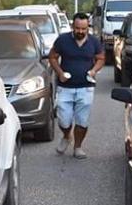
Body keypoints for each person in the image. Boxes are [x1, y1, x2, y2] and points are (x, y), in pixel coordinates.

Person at [48, 12, 105, 159]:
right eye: (77, 28)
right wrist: (60, 73)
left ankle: (78, 147)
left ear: (88, 28)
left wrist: (94, 70)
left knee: (82, 120)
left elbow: (100, 58)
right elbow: (53, 57)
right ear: (73, 26)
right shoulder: (62, 40)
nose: (80, 32)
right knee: (63, 119)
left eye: (83, 29)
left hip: (85, 87)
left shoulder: (94, 42)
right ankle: (67, 136)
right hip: (65, 88)